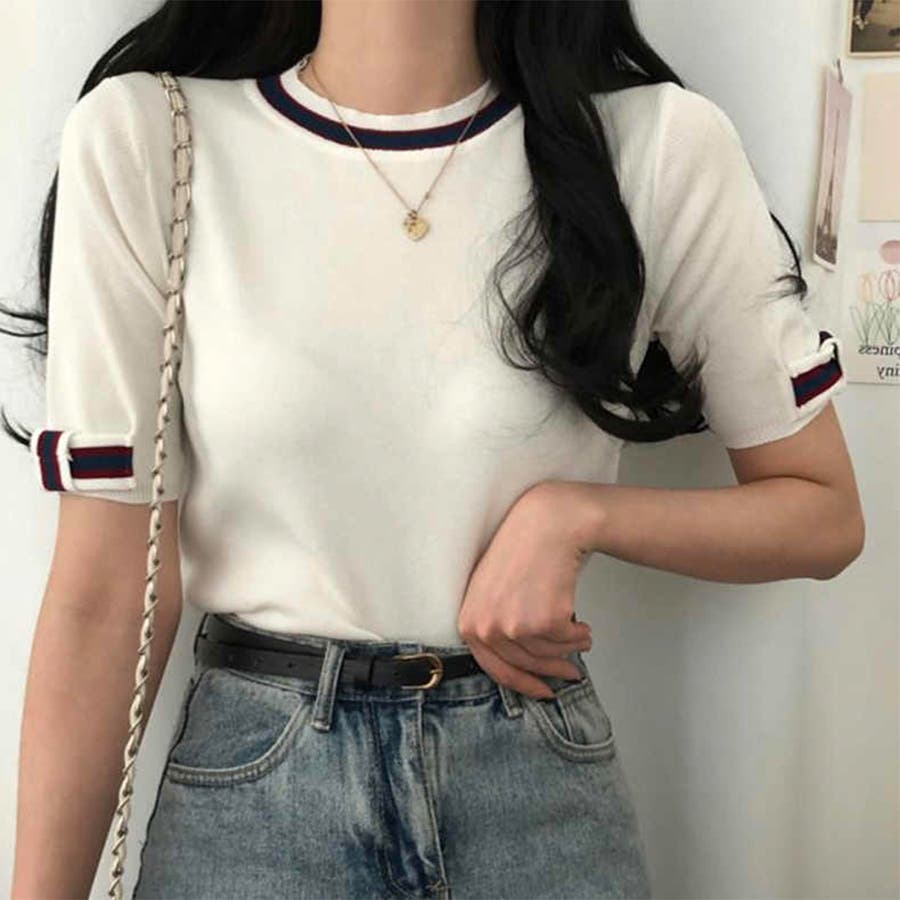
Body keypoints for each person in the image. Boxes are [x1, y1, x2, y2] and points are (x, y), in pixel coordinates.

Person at [9, 1, 863, 898]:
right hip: (254, 803)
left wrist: (578, 516)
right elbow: (104, 598)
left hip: (532, 790)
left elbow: (823, 512)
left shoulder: (652, 148)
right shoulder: (152, 138)